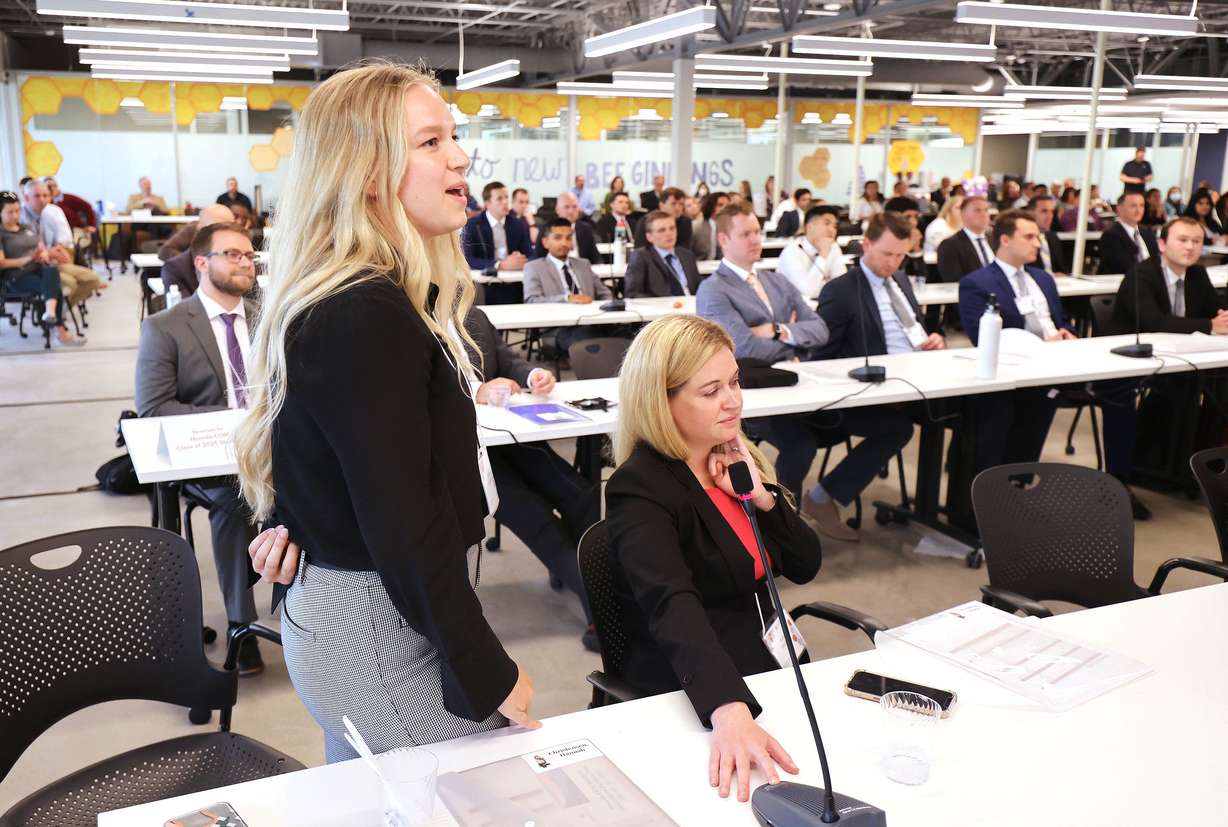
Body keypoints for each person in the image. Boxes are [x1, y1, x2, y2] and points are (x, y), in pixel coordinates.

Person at [233, 63, 539, 764]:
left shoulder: (371, 295)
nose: (460, 157)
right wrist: (486, 667)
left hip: (374, 613)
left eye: (453, 137)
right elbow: (406, 522)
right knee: (489, 785)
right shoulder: (362, 310)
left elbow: (332, 445)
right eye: (431, 142)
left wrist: (292, 517)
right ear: (366, 172)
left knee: (385, 797)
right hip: (375, 627)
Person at [606, 313, 819, 802]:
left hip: (764, 661)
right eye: (711, 391)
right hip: (695, 678)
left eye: (735, 382)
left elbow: (805, 565)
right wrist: (727, 707)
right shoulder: (639, 489)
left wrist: (762, 497)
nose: (733, 401)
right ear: (661, 402)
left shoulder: (736, 456)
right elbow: (671, 604)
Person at [136, 223, 264, 673]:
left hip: (272, 447)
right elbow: (154, 409)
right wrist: (236, 420)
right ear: (202, 263)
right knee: (237, 498)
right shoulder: (165, 327)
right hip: (209, 456)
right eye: (233, 255)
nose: (246, 263)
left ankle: (312, 613)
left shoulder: (270, 316)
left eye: (249, 255)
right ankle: (242, 626)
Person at [464, 306, 600, 651]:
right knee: (535, 515)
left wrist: (534, 374)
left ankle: (576, 571)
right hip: (467, 454)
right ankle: (601, 607)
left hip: (513, 438)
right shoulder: (413, 318)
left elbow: (508, 361)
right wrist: (476, 390)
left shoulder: (472, 315)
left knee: (580, 492)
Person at [806, 213, 939, 539]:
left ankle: (968, 507)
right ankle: (821, 497)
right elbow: (820, 357)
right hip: (862, 393)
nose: (893, 262)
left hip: (915, 379)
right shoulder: (841, 290)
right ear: (866, 244)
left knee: (971, 409)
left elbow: (916, 330)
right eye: (886, 253)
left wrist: (932, 341)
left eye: (900, 255)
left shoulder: (901, 281)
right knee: (897, 428)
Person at [1100, 216, 1228, 520]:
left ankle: (1202, 466)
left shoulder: (1197, 274)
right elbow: (1154, 322)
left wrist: (1219, 319)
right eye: (1182, 240)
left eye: (1196, 241)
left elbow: (1214, 312)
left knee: (1220, 383)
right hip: (1129, 364)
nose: (1190, 247)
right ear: (1161, 244)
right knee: (1120, 399)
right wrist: (1210, 325)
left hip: (1181, 360)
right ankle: (1121, 481)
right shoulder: (1141, 275)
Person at [958, 210, 1077, 476]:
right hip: (1011, 371)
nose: (1038, 243)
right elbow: (982, 338)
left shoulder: (1043, 279)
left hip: (1055, 364)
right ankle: (1002, 482)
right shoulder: (977, 283)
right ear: (1005, 240)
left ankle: (1020, 480)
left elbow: (1062, 320)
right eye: (1029, 237)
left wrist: (1067, 333)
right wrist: (1040, 345)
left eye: (1038, 237)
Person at [0, 190, 78, 346]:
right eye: (10, 212)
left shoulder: (26, 228)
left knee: (51, 272)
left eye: (17, 211)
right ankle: (57, 327)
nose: (15, 216)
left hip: (37, 268)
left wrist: (43, 254)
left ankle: (50, 314)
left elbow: (40, 246)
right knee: (53, 286)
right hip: (16, 277)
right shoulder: (2, 233)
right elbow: (2, 263)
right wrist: (27, 259)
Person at [523, 217, 613, 352]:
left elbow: (605, 293)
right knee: (594, 342)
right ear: (545, 242)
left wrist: (607, 310)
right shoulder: (534, 267)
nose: (564, 243)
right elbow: (532, 300)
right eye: (558, 238)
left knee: (625, 337)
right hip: (559, 328)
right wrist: (567, 298)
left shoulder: (583, 264)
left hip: (592, 321)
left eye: (568, 238)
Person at [20, 178, 104, 313]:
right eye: (37, 196)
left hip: (52, 261)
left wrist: (58, 251)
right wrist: (50, 252)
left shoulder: (50, 213)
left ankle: (60, 310)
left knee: (93, 280)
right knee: (70, 284)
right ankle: (53, 314)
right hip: (33, 266)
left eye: (45, 195)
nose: (42, 200)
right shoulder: (18, 217)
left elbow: (61, 242)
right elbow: (23, 249)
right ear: (26, 197)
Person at [157, 204, 244, 296]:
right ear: (200, 228)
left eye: (229, 228)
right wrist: (193, 259)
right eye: (216, 230)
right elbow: (165, 250)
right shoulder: (177, 269)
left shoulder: (242, 259)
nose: (224, 235)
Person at [774, 205, 846, 301]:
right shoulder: (791, 252)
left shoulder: (833, 247)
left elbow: (842, 285)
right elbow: (808, 291)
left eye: (835, 226)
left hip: (825, 304)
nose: (832, 230)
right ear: (809, 227)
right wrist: (823, 255)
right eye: (827, 223)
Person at [624, 210, 703, 298]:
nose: (669, 234)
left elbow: (699, 287)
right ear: (649, 237)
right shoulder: (641, 257)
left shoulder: (687, 255)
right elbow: (632, 294)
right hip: (660, 306)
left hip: (691, 304)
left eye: (672, 228)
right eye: (662, 230)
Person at [461, 180, 532, 272]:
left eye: (506, 197)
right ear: (487, 203)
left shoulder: (518, 224)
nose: (505, 202)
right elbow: (468, 259)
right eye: (499, 199)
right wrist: (499, 265)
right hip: (485, 278)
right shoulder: (472, 225)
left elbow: (530, 254)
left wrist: (520, 258)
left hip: (515, 276)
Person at [534, 191, 602, 265]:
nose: (571, 211)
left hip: (582, 270)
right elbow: (538, 257)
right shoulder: (546, 229)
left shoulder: (585, 229)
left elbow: (596, 257)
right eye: (567, 207)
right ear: (557, 210)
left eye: (574, 207)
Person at [936, 195, 993, 283]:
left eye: (986, 210)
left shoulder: (996, 239)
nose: (984, 215)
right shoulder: (950, 245)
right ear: (963, 214)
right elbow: (954, 281)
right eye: (977, 210)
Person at [1101, 191, 1159, 277]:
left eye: (1141, 206)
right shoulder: (1111, 235)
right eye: (1133, 206)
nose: (1138, 210)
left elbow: (1157, 260)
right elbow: (1123, 266)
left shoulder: (1147, 233)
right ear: (1119, 208)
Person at [633, 186, 693, 251]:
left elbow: (685, 250)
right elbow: (639, 249)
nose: (677, 208)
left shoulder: (685, 222)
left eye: (681, 204)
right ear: (661, 205)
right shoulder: (646, 221)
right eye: (673, 204)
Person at [1029, 194, 1069, 276]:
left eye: (1052, 212)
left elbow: (1063, 269)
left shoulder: (1053, 237)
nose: (1050, 216)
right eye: (1044, 211)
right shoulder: (1023, 239)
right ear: (1031, 213)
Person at [691, 191, 729, 261]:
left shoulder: (728, 228)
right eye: (720, 205)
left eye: (727, 205)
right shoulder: (696, 226)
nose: (724, 208)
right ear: (711, 206)